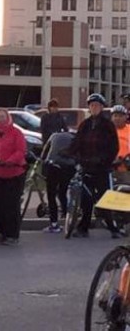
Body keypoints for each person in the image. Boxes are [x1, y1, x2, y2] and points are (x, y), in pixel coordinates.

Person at [69, 93, 121, 238]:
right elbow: (77, 142)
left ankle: (113, 228)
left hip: (102, 168)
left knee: (105, 198)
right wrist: (70, 153)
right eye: (92, 105)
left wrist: (104, 159)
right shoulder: (85, 125)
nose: (94, 108)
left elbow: (113, 146)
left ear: (102, 107)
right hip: (87, 166)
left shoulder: (107, 125)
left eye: (97, 105)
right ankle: (83, 228)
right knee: (86, 199)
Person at [0, 108, 27, 245]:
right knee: (0, 205)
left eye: (3, 117)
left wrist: (10, 161)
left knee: (12, 205)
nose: (1, 119)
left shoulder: (16, 132)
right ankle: (2, 233)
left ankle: (13, 235)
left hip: (14, 173)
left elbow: (20, 151)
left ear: (8, 118)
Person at [42, 129, 75, 233]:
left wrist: (43, 161)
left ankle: (54, 223)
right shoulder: (74, 138)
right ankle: (66, 216)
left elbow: (44, 153)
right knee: (63, 191)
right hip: (69, 166)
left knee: (51, 195)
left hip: (53, 165)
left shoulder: (53, 136)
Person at [112, 104, 130, 186]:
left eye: (120, 116)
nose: (117, 118)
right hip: (110, 168)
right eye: (115, 116)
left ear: (126, 117)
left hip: (126, 168)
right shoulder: (107, 130)